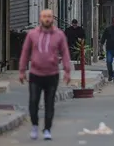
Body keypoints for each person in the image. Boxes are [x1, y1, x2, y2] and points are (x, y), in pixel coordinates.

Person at [19, 9, 71, 140]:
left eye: (49, 16)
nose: (47, 19)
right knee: (33, 101)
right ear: (40, 18)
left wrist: (67, 71)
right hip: (35, 74)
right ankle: (35, 126)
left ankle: (47, 129)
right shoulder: (32, 34)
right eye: (44, 16)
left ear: (52, 18)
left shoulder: (59, 35)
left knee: (49, 103)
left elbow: (65, 53)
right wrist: (21, 71)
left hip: (52, 74)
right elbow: (25, 52)